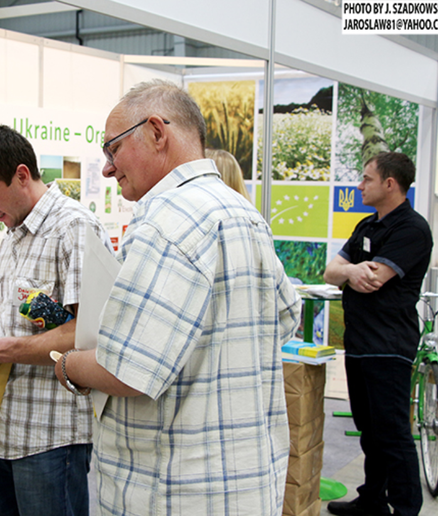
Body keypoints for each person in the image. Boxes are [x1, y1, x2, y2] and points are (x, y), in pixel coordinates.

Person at [53, 79, 301, 515]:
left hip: (172, 490)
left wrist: (66, 364)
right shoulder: (243, 213)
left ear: (156, 132)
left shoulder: (167, 222)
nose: (108, 168)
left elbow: (125, 370)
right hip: (242, 483)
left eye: (112, 149)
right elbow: (286, 316)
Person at [0, 125, 113, 516]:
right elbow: (22, 321)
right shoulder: (13, 232)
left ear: (21, 175)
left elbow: (89, 336)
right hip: (0, 427)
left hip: (51, 435)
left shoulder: (74, 229)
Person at [323, 152, 432, 516]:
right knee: (369, 431)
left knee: (393, 434)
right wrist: (352, 271)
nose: (359, 186)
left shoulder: (412, 229)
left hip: (389, 346)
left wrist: (350, 272)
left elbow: (376, 278)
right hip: (360, 344)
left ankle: (404, 508)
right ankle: (372, 499)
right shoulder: (366, 227)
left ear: (390, 183)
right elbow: (331, 271)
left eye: (367, 179)